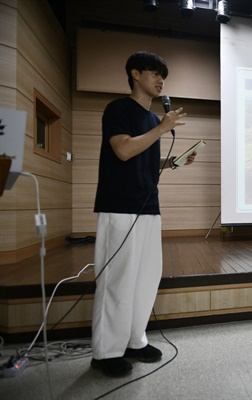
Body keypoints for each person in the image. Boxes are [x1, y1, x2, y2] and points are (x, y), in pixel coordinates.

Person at [91, 51, 195, 377]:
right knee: (117, 280)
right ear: (135, 74)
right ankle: (105, 353)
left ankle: (135, 340)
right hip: (119, 206)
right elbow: (122, 150)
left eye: (163, 75)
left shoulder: (153, 121)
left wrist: (172, 162)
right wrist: (162, 130)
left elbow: (143, 157)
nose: (160, 80)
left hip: (149, 206)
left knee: (145, 279)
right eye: (154, 73)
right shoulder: (118, 109)